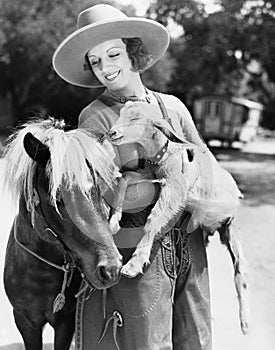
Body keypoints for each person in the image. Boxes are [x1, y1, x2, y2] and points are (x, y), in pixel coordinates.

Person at [52, 4, 214, 350]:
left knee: (197, 342)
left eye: (112, 54)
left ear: (133, 52)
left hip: (190, 250)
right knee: (145, 345)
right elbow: (100, 191)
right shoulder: (95, 117)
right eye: (95, 61)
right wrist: (169, 184)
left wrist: (202, 196)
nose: (105, 68)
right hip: (134, 254)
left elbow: (203, 155)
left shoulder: (172, 107)